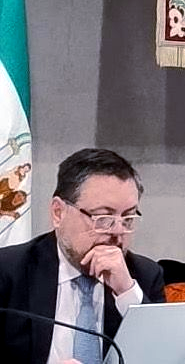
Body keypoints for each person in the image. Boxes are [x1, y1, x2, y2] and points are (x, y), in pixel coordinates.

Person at [0, 148, 165, 364]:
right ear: (58, 212)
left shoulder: (143, 276)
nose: (117, 232)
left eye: (127, 218)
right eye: (103, 218)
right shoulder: (8, 272)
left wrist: (126, 292)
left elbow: (165, 355)